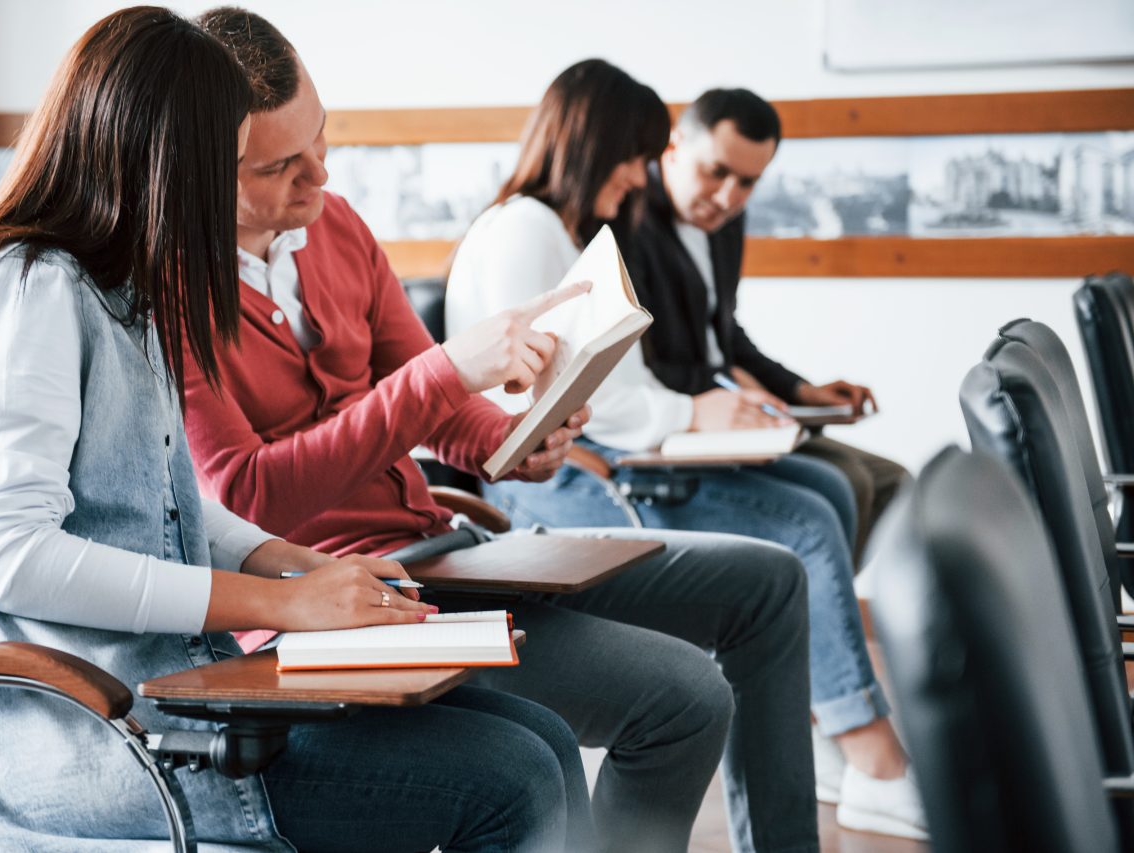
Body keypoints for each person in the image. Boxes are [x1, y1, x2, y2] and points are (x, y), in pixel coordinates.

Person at [0, 8, 593, 851]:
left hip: (156, 690)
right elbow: (9, 554)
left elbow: (160, 491)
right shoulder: (20, 292)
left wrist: (297, 563)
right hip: (60, 737)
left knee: (538, 738)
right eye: (237, 169)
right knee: (513, 778)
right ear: (162, 164)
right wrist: (280, 602)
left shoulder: (113, 289)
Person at [185, 9, 817, 852]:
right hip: (337, 595)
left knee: (769, 579)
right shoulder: (173, 284)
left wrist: (513, 441)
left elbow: (437, 406)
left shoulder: (336, 228)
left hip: (438, 543)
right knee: (685, 696)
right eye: (280, 167)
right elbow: (248, 491)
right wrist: (442, 376)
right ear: (197, 169)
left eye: (322, 142)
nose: (321, 179)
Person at [445, 61, 927, 841]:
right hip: (577, 478)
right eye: (638, 155)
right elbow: (543, 406)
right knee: (803, 523)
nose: (643, 175)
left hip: (616, 449)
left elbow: (629, 375)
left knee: (828, 501)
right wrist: (691, 413)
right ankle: (861, 748)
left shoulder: (563, 231)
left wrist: (729, 407)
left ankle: (828, 721)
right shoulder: (530, 232)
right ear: (597, 146)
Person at [625, 87, 911, 569]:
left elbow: (725, 335)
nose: (728, 197)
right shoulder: (626, 219)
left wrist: (801, 389)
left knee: (895, 481)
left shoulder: (725, 222)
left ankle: (808, 613)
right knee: (851, 483)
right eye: (716, 172)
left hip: (732, 407)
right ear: (673, 148)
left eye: (747, 182)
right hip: (676, 420)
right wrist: (732, 387)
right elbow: (644, 364)